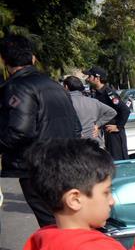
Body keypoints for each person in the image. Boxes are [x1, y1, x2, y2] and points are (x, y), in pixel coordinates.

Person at [0, 34, 80, 227]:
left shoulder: (17, 87)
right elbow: (76, 127)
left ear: (4, 60)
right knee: (64, 221)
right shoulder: (56, 86)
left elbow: (20, 131)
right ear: (33, 58)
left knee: (52, 225)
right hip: (63, 164)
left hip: (36, 167)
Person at [84, 66, 130, 160]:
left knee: (117, 161)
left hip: (113, 133)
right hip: (104, 132)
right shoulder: (96, 92)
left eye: (89, 76)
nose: (87, 79)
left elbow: (125, 110)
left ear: (97, 78)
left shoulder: (108, 93)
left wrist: (118, 126)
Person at [63, 76, 117, 145]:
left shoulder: (64, 104)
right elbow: (112, 112)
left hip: (77, 145)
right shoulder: (93, 102)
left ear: (66, 87)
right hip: (95, 143)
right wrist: (97, 124)